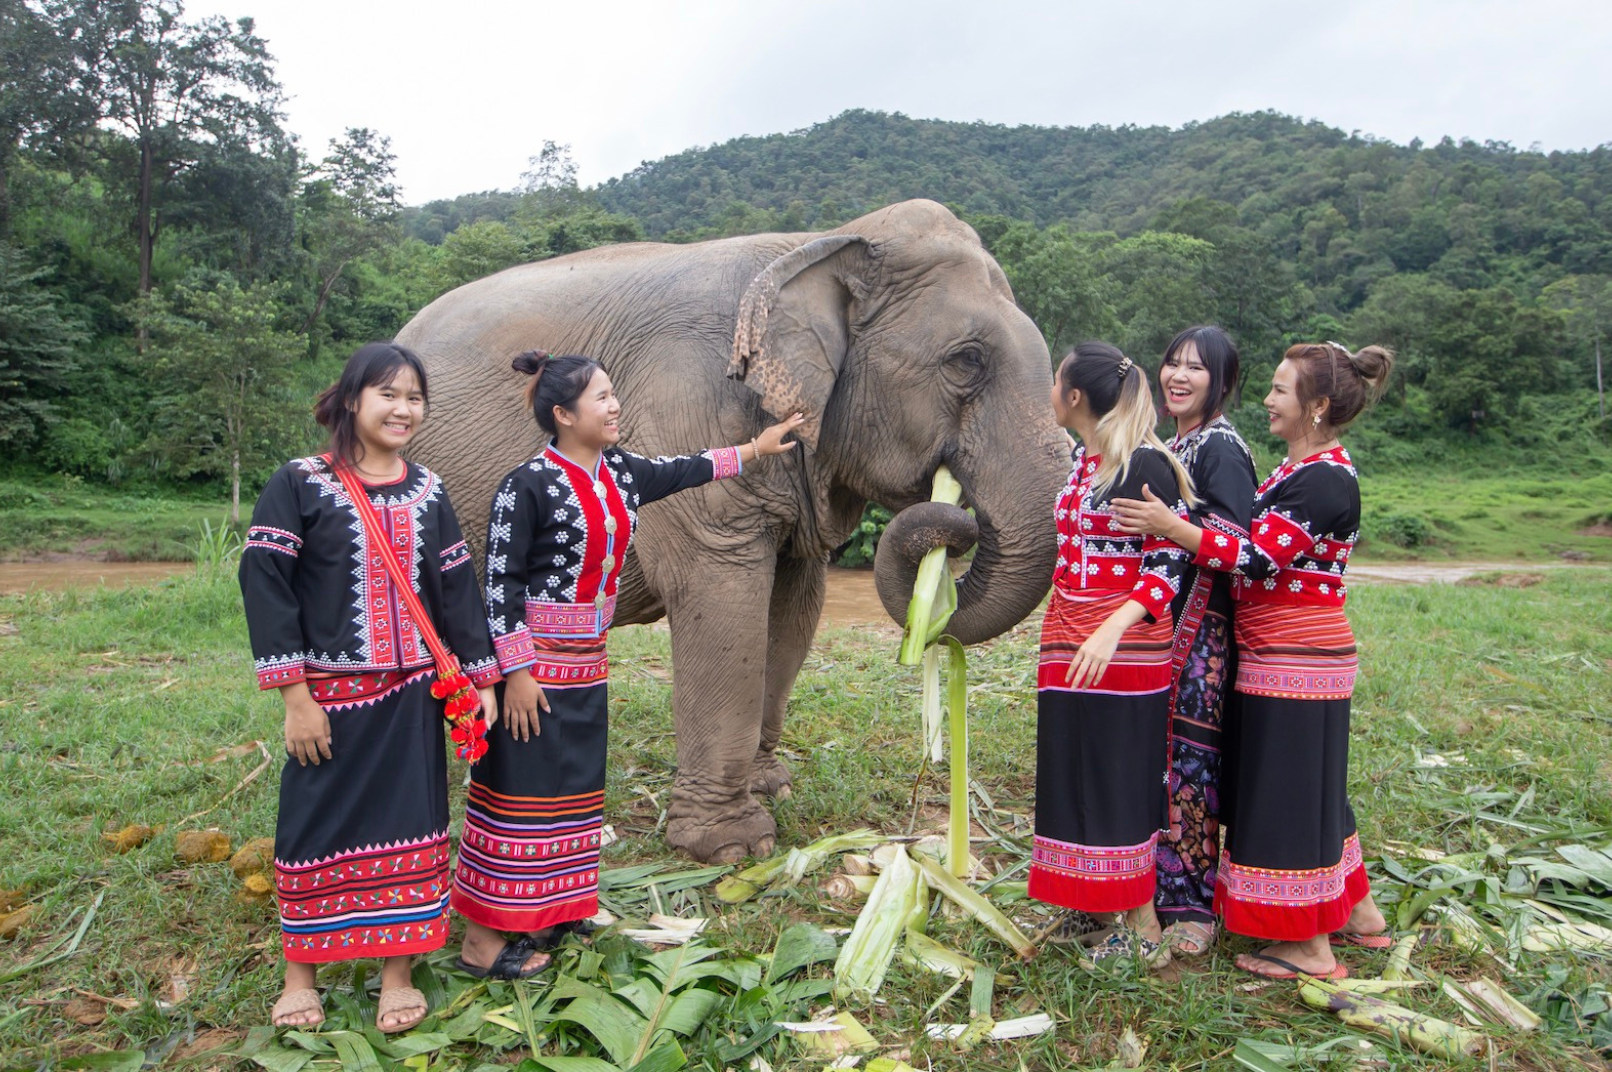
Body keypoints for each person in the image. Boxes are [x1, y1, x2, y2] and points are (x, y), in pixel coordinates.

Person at [450, 351, 806, 978]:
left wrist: (757, 447)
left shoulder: (619, 471)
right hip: (534, 668)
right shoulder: (525, 485)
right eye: (601, 398)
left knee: (575, 789)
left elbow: (691, 468)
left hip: (588, 661)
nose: (615, 407)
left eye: (614, 394)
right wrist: (516, 674)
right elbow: (499, 585)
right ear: (562, 414)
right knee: (520, 791)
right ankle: (484, 939)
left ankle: (556, 910)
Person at [240, 342, 502, 1033]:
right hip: (329, 699)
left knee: (412, 826)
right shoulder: (299, 482)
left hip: (413, 696)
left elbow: (455, 590)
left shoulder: (429, 491)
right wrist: (295, 697)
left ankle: (397, 972)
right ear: (353, 400)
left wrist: (483, 681)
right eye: (388, 394)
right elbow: (265, 584)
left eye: (414, 397)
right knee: (312, 826)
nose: (403, 408)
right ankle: (302, 973)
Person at [1196, 341, 1394, 979]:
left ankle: (1307, 946)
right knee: (1315, 789)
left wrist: (1176, 530)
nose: (1268, 401)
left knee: (1284, 794)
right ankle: (1360, 914)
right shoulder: (1295, 469)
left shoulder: (1325, 478)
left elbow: (1256, 557)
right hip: (1282, 651)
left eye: (1280, 390)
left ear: (1317, 406)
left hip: (1296, 657)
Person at [1029, 341, 1196, 965]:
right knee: (1075, 773)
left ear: (1073, 397)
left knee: (1119, 775)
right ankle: (1096, 903)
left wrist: (1112, 628)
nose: (1049, 391)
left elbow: (1169, 562)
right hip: (1070, 642)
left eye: (1054, 381)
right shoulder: (1084, 461)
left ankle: (1144, 928)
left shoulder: (1142, 465)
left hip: (1120, 649)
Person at [1110, 326, 1256, 957]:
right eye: (1171, 364)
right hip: (1173, 629)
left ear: (1220, 382)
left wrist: (1170, 523)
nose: (1177, 376)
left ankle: (1192, 909)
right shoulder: (1180, 442)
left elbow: (1236, 546)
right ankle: (1160, 893)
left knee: (1193, 765)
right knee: (1167, 763)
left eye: (1195, 369)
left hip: (1205, 635)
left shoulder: (1221, 447)